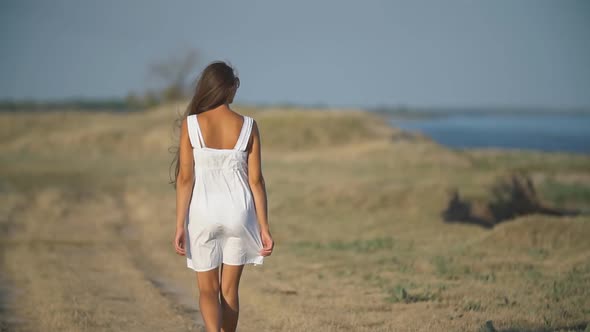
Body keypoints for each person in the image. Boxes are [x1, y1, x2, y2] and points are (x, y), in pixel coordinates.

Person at [170, 60, 274, 332]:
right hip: (239, 213)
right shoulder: (249, 125)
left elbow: (185, 178)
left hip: (202, 213)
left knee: (207, 291)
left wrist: (180, 225)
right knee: (229, 291)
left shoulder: (191, 125)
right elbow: (256, 180)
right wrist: (264, 227)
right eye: (235, 86)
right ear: (228, 89)